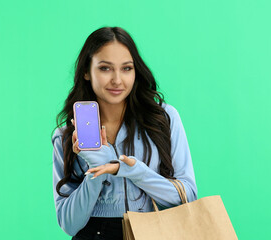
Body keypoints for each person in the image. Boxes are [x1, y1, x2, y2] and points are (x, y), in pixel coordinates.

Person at [52, 26, 197, 240]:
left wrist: (135, 171)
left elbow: (188, 197)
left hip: (155, 232)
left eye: (126, 68)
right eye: (105, 68)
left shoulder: (163, 119)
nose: (117, 80)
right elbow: (69, 224)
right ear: (86, 72)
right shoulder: (67, 135)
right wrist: (95, 171)